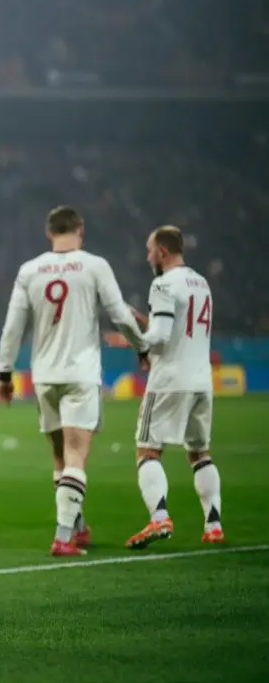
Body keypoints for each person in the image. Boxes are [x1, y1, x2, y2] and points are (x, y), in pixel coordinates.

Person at [0, 206, 145, 556]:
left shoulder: (30, 270)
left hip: (45, 376)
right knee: (77, 454)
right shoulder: (94, 265)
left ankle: (76, 526)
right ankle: (63, 537)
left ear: (49, 233)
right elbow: (120, 314)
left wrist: (4, 374)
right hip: (80, 374)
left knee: (60, 458)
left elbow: (12, 328)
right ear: (81, 230)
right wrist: (142, 347)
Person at [105, 226, 224, 548]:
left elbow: (159, 337)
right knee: (200, 453)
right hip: (202, 380)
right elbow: (181, 328)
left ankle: (159, 519)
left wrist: (131, 335)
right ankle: (213, 525)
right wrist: (148, 321)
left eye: (149, 250)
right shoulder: (201, 284)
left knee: (147, 450)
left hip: (171, 378)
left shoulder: (163, 283)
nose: (147, 257)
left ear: (162, 251)